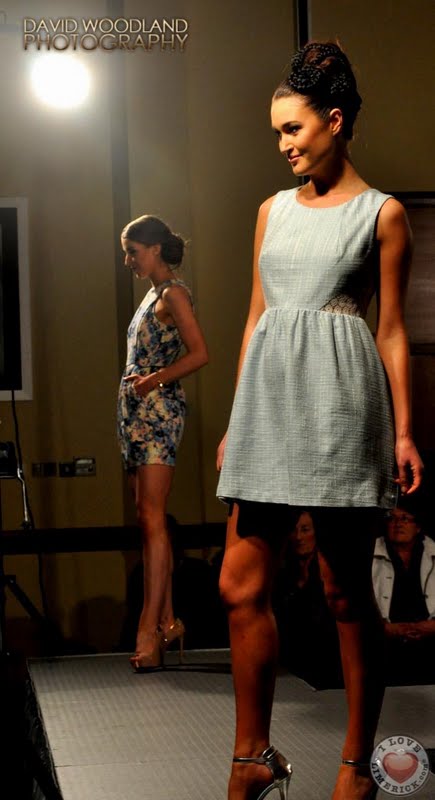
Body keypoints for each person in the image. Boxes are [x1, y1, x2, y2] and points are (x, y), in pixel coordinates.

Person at [216, 41, 423, 800]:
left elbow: (391, 331)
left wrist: (404, 431)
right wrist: (237, 418)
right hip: (268, 406)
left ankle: (356, 764)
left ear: (334, 121)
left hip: (341, 404)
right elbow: (255, 317)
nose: (283, 145)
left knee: (343, 592)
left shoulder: (382, 214)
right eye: (276, 132)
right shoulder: (270, 212)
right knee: (239, 584)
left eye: (292, 129)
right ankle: (250, 757)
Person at [117, 215, 208, 671]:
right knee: (146, 519)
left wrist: (153, 380)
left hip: (158, 413)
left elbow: (200, 353)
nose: (128, 261)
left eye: (133, 252)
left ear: (154, 249)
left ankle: (148, 629)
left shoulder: (173, 293)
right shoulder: (152, 295)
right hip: (137, 415)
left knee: (154, 520)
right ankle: (169, 620)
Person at [275, 510, 342, 689]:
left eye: (305, 530)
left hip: (327, 661)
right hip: (288, 662)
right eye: (294, 530)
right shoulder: (281, 572)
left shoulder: (329, 572)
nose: (298, 537)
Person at [372, 499, 435, 685]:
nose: (398, 524)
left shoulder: (432, 552)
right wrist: (383, 628)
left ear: (418, 527)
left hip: (430, 642)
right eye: (392, 518)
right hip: (383, 642)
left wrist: (432, 626)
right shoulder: (370, 553)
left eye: (405, 518)